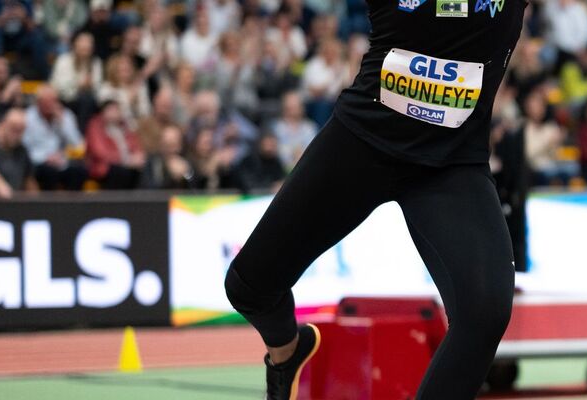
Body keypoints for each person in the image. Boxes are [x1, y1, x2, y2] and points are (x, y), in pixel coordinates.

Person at [222, 1, 529, 399]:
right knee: (248, 288)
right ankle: (287, 351)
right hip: (362, 145)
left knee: (485, 313)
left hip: (450, 165)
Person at [22, 85, 88, 191]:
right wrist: (45, 158)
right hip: (38, 162)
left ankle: (74, 206)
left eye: (53, 101)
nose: (50, 105)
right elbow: (24, 147)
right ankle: (49, 206)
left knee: (80, 171)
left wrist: (62, 122)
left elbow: (78, 144)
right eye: (46, 101)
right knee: (49, 173)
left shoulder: (66, 115)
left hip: (62, 161)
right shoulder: (27, 117)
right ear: (38, 102)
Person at [85, 101, 145, 189]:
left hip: (128, 167)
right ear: (103, 112)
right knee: (121, 171)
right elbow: (100, 152)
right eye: (111, 110)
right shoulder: (96, 126)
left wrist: (138, 156)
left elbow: (136, 145)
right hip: (106, 169)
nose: (115, 113)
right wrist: (126, 160)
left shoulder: (125, 127)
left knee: (145, 169)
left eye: (117, 109)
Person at [0, 108, 36, 198]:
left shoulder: (22, 151)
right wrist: (1, 187)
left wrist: (37, 204)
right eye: (13, 129)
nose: (16, 134)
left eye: (20, 130)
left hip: (15, 205)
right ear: (3, 125)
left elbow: (29, 181)